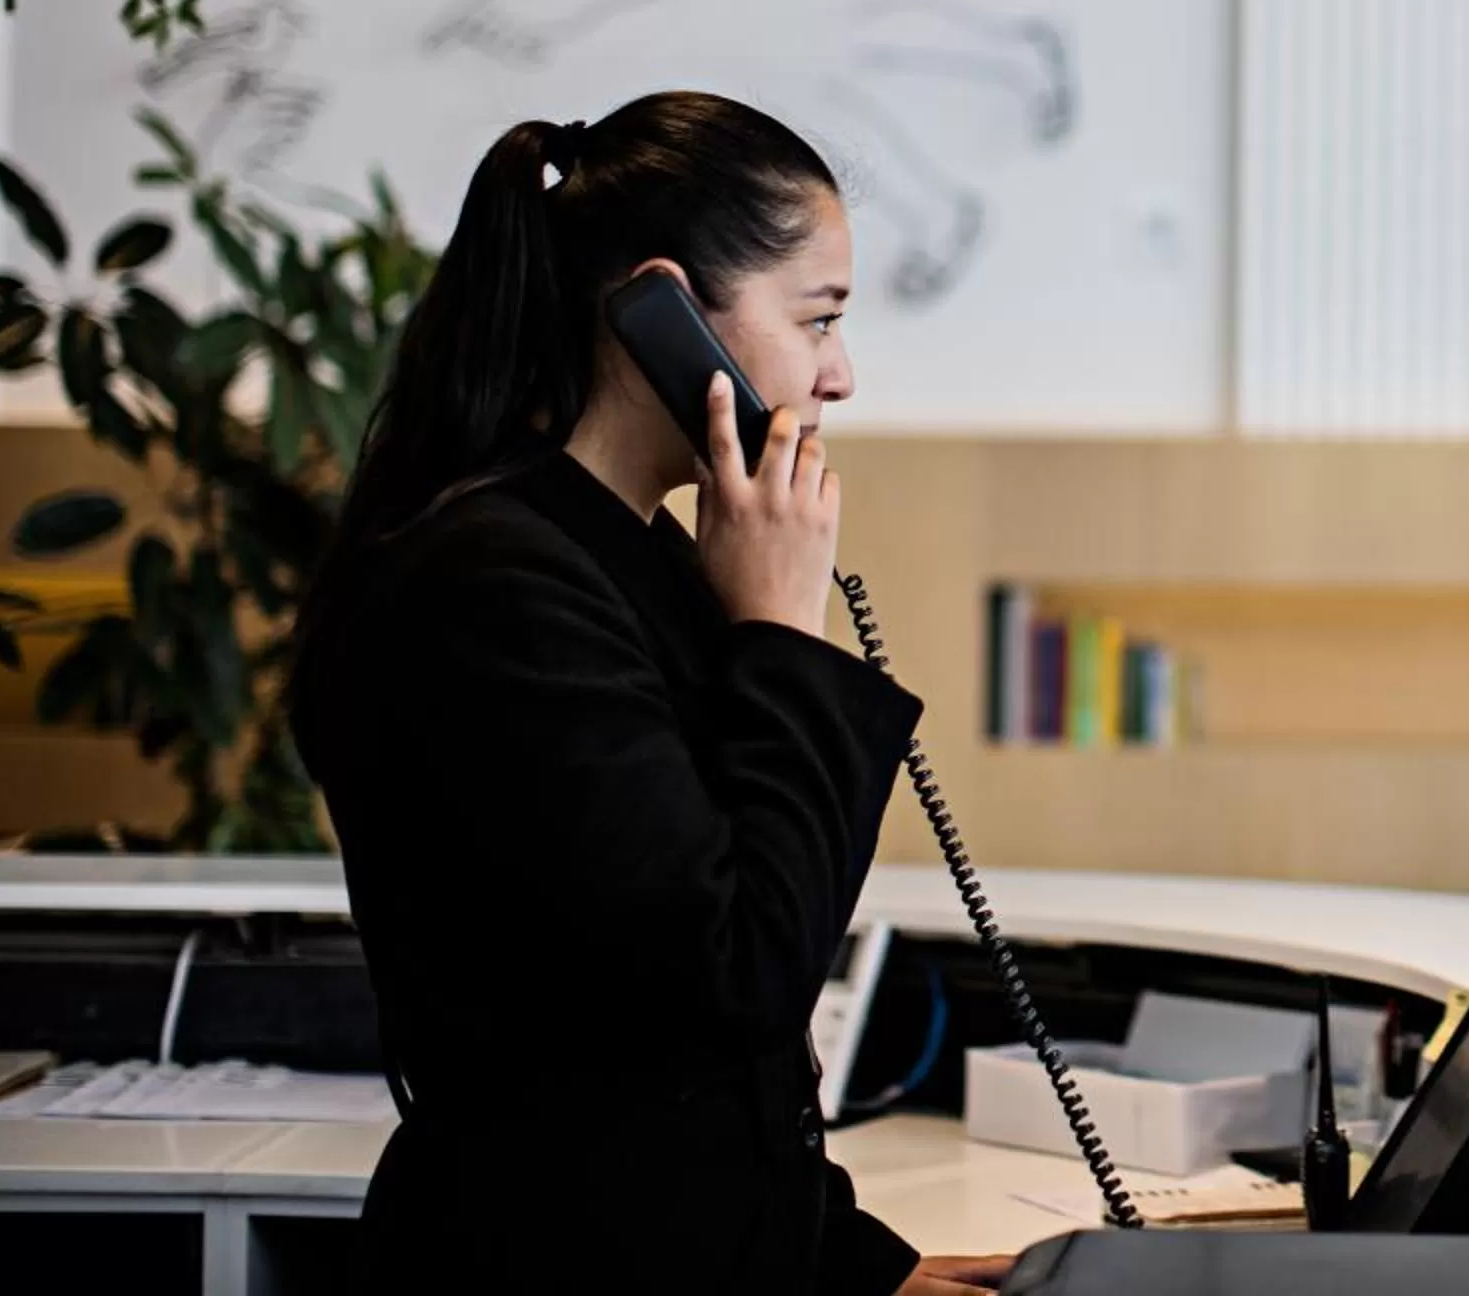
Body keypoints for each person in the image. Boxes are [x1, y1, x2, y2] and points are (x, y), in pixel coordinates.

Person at [289, 93, 1010, 1295]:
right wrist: (780, 631)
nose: (840, 374)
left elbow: (716, 1076)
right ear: (662, 310)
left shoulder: (630, 556)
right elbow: (736, 972)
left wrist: (853, 1267)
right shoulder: (495, 584)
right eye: (819, 318)